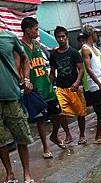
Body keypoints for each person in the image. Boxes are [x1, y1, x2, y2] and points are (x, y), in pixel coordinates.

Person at [20, 17, 67, 158]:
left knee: (59, 114)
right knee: (40, 121)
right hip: (35, 91)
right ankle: (46, 148)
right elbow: (18, 68)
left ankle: (54, 136)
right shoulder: (20, 47)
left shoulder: (38, 45)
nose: (37, 32)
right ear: (28, 30)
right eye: (35, 29)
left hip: (47, 87)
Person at [0, 29, 35, 183]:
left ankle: (27, 173)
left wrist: (26, 78)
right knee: (1, 141)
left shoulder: (9, 37)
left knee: (21, 136)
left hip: (12, 95)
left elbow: (25, 57)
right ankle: (9, 174)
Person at [49, 26, 87, 145]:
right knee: (60, 112)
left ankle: (81, 135)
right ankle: (68, 134)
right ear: (55, 38)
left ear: (67, 37)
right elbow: (52, 71)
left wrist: (76, 83)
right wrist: (50, 83)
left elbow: (81, 69)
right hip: (61, 87)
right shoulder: (54, 54)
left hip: (74, 87)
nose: (61, 39)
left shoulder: (74, 52)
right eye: (58, 37)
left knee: (80, 113)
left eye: (63, 36)